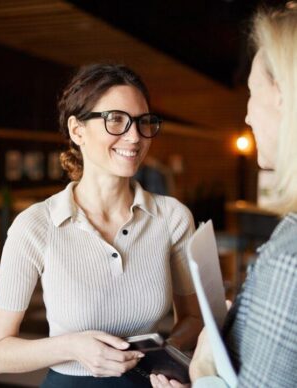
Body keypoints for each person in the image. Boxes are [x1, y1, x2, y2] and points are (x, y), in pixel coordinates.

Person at [0, 63, 202, 387]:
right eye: (116, 120)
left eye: (144, 122)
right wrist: (72, 346)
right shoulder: (35, 226)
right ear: (77, 130)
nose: (135, 137)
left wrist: (168, 352)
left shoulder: (172, 218)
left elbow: (194, 318)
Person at [150, 3, 297, 388]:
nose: (247, 116)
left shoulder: (290, 260)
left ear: (284, 96)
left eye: (251, 92)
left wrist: (201, 374)